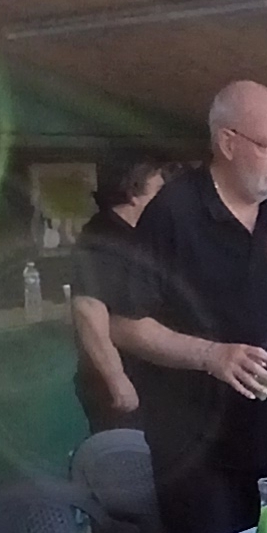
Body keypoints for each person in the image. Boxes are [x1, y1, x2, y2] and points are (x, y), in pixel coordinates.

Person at [111, 82, 267, 533]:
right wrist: (211, 355)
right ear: (227, 142)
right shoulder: (172, 213)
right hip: (193, 442)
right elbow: (126, 325)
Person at [69, 150, 169, 431]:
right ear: (133, 194)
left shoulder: (141, 235)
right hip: (119, 382)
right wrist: (117, 379)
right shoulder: (101, 238)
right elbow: (88, 310)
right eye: (158, 191)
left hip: (150, 376)